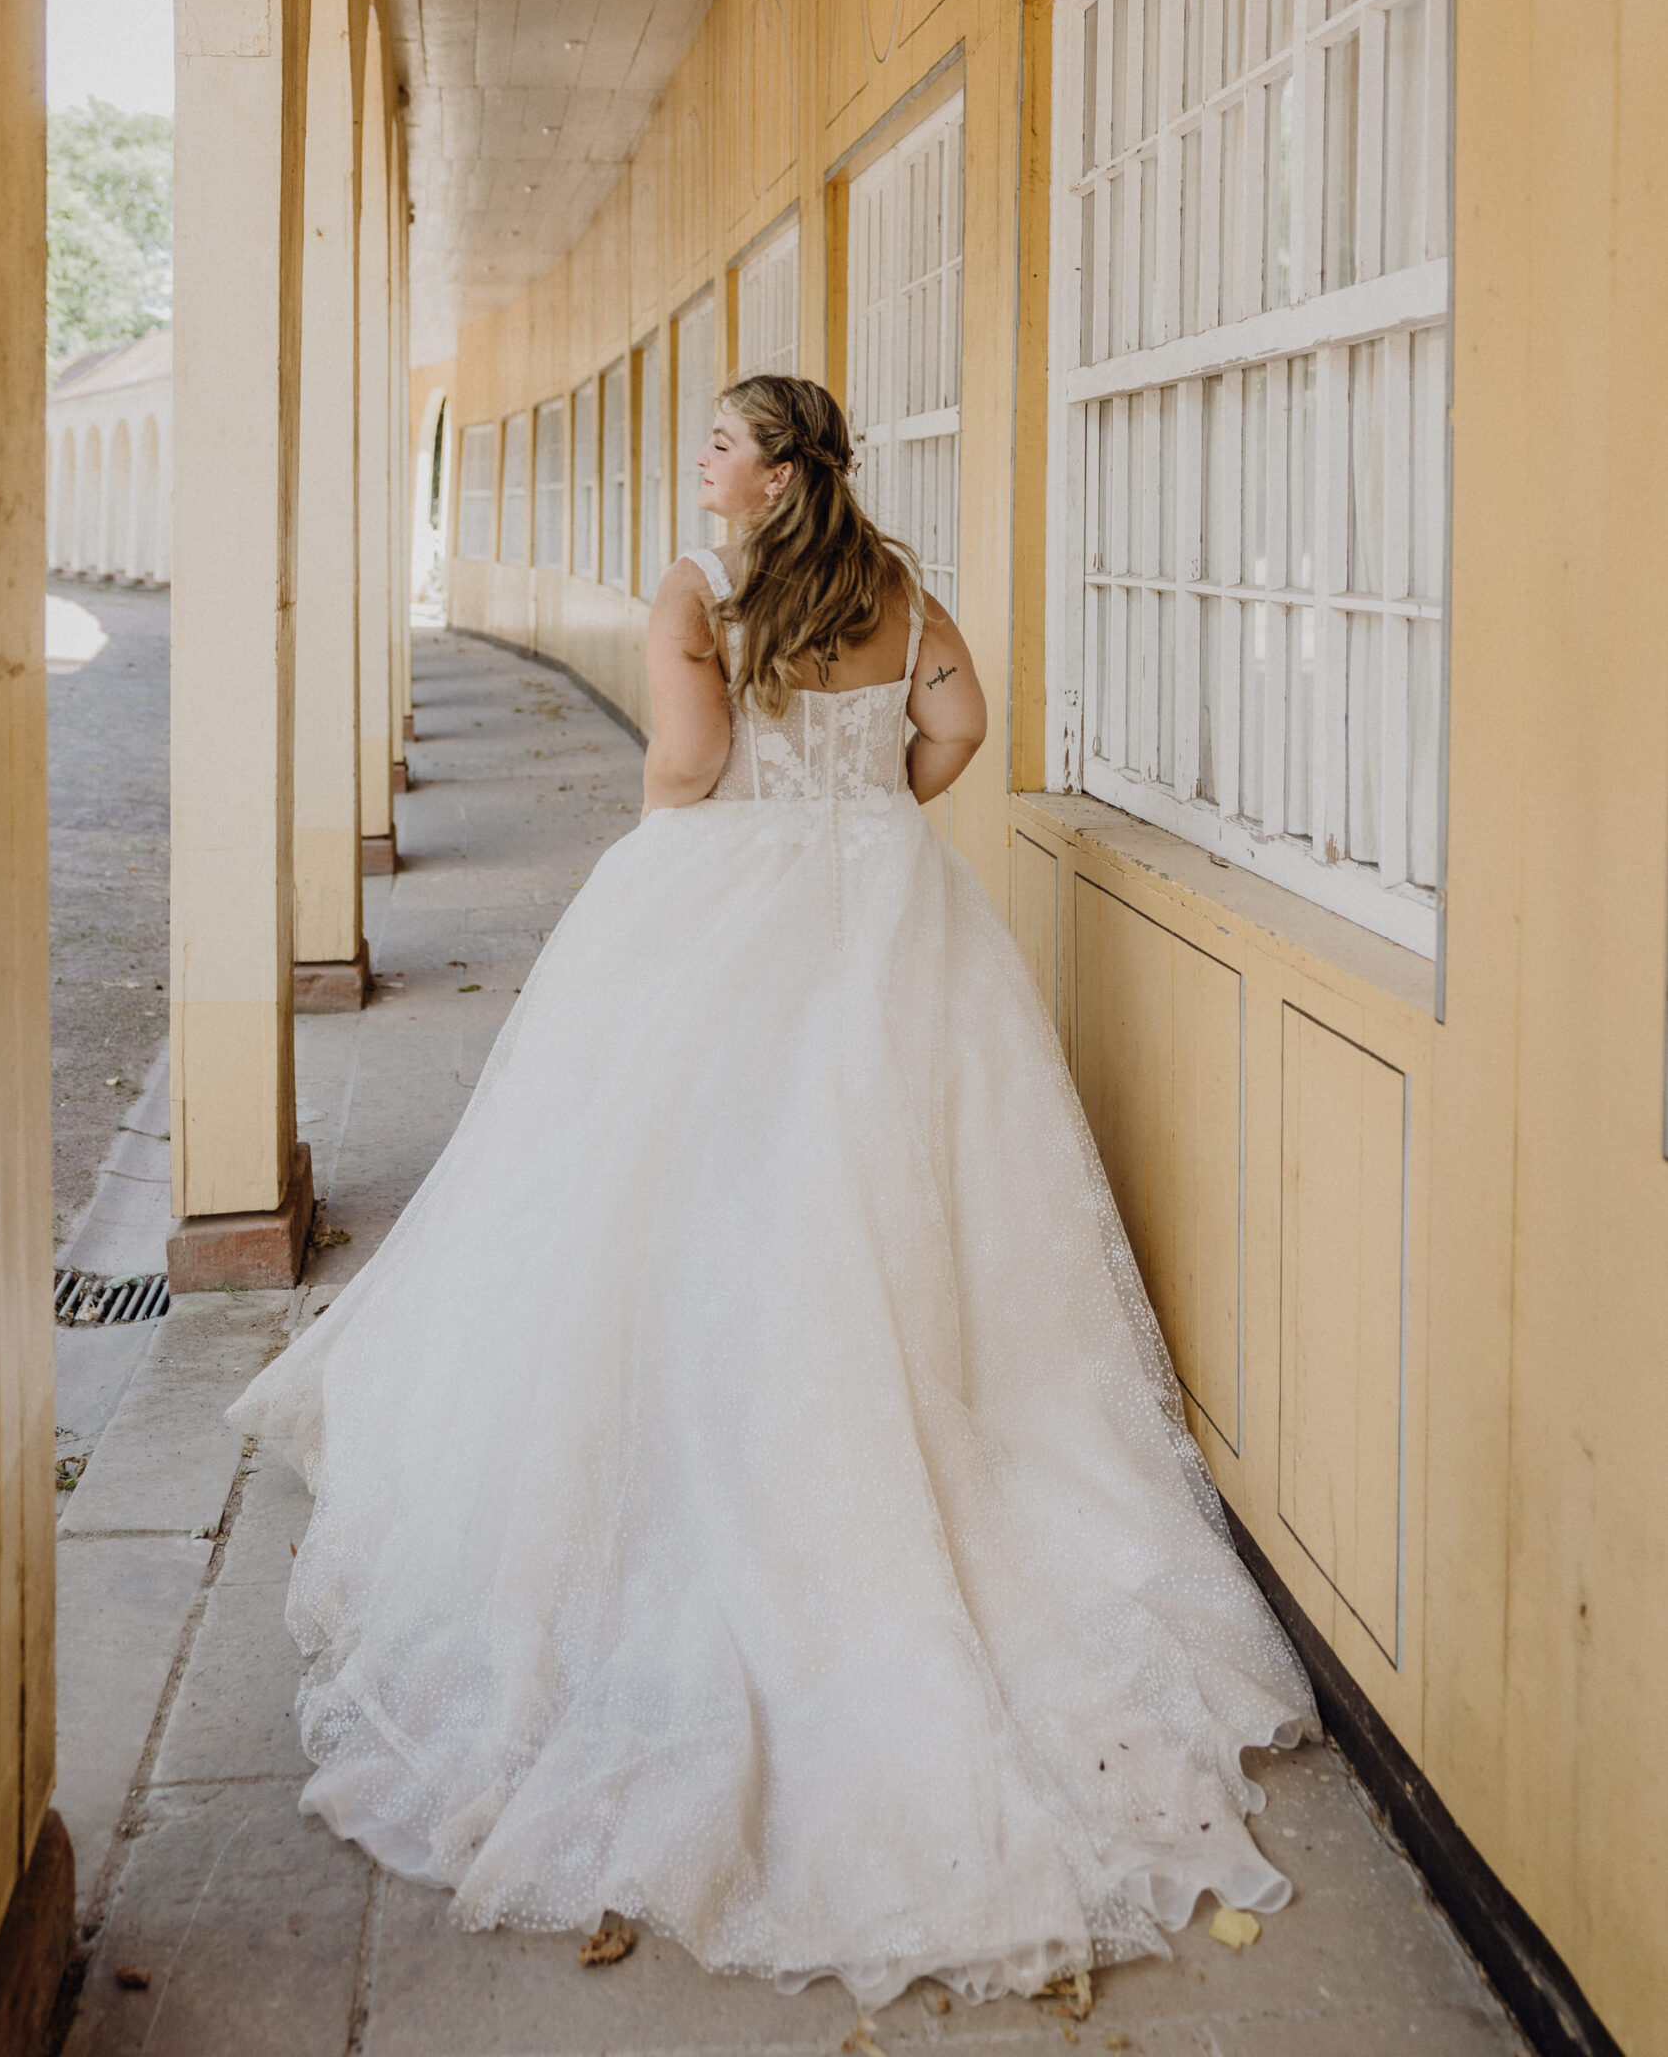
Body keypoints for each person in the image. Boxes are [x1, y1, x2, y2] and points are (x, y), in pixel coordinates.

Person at [228, 372, 1318, 2010]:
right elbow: (959, 729)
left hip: (727, 902)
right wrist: (870, 812)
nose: (704, 462)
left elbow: (683, 769)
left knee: (684, 1196)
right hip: (892, 915)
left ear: (777, 474)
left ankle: (735, 1446)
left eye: (724, 444)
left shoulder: (699, 592)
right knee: (913, 1202)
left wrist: (721, 828)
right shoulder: (899, 593)